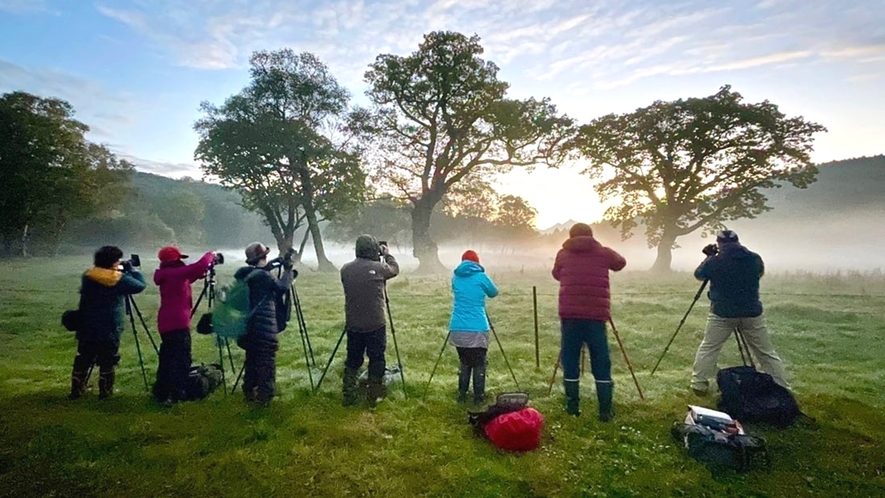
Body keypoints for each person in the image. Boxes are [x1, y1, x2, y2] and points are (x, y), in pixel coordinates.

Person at [690, 230, 790, 395]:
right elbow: (759, 274)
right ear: (738, 241)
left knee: (709, 347)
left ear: (719, 243)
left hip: (722, 313)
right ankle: (782, 387)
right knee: (765, 352)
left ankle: (699, 384)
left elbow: (699, 275)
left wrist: (708, 257)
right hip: (752, 312)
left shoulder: (715, 261)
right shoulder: (754, 258)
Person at [552, 223, 626, 420]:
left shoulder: (563, 253)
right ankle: (605, 410)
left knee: (570, 359)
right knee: (601, 360)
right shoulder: (604, 253)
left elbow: (556, 274)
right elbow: (620, 263)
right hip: (596, 315)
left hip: (570, 314)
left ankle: (572, 407)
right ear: (591, 235)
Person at [69, 246, 147, 399]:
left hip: (87, 323)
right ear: (112, 262)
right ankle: (105, 392)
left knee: (84, 356)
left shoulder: (89, 275)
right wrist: (133, 270)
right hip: (109, 325)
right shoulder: (117, 279)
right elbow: (140, 286)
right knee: (108, 359)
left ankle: (76, 390)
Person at [152, 246, 217, 404]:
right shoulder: (174, 273)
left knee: (168, 357)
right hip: (177, 323)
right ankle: (176, 392)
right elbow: (199, 266)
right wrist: (211, 255)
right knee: (181, 359)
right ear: (174, 260)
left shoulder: (169, 275)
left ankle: (163, 390)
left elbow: (191, 275)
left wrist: (201, 274)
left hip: (167, 322)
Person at [340, 235, 399, 407]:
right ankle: (373, 395)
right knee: (377, 358)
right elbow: (394, 269)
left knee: (353, 359)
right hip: (375, 323)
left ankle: (348, 394)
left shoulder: (345, 269)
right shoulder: (379, 268)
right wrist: (387, 255)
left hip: (353, 323)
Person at [234, 242, 296, 405]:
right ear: (263, 257)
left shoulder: (247, 275)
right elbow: (281, 287)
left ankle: (249, 391)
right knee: (266, 362)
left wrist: (276, 262)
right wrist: (289, 272)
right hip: (265, 327)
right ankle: (264, 397)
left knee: (252, 358)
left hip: (248, 327)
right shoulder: (264, 277)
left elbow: (261, 273)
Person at [448, 250, 498, 404]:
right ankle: (478, 397)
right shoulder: (481, 277)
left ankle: (462, 394)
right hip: (477, 327)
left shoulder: (456, 277)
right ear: (477, 262)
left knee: (464, 361)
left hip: (457, 327)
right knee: (479, 362)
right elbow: (494, 292)